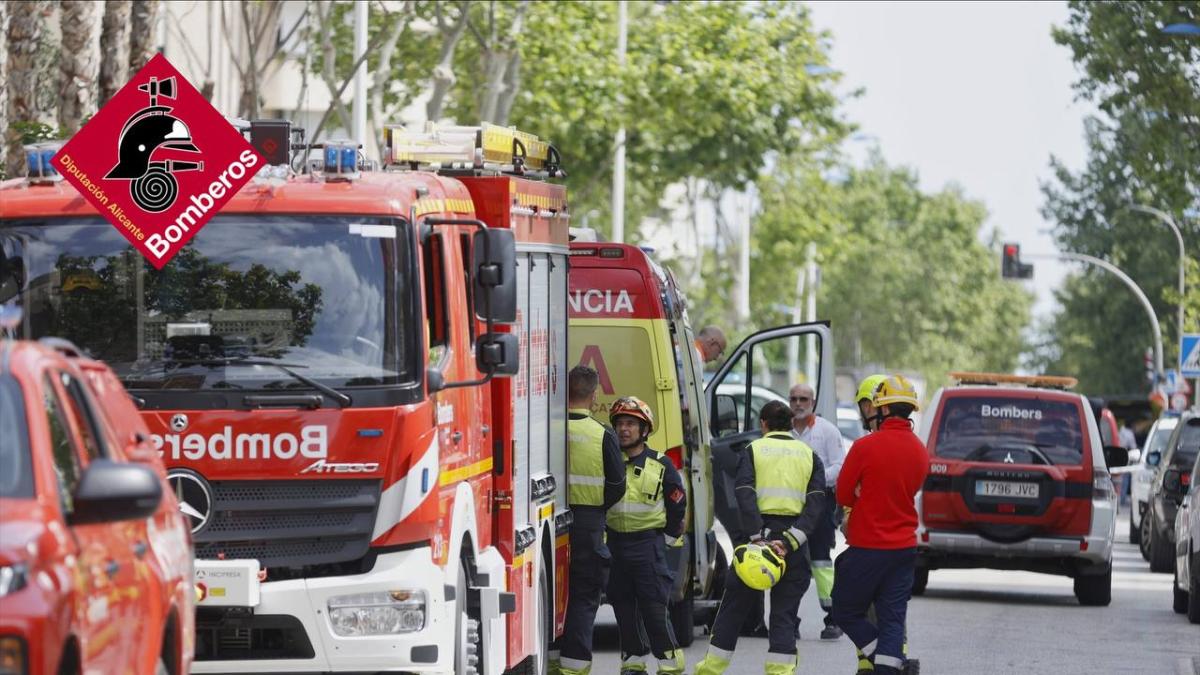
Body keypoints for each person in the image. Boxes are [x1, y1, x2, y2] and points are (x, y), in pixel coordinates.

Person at [694, 400, 827, 675]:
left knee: (733, 609)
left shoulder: (753, 450)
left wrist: (757, 537)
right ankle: (780, 671)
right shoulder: (809, 454)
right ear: (791, 425)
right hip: (793, 543)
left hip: (757, 539)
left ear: (763, 425)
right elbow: (816, 504)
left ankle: (710, 669)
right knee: (784, 614)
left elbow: (744, 492)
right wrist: (791, 541)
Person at [831, 375, 929, 675]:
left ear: (882, 410)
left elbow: (843, 493)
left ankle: (879, 661)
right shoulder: (919, 450)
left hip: (868, 547)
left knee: (845, 610)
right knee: (892, 620)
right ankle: (891, 667)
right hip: (903, 549)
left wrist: (863, 493)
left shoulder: (865, 447)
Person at [550, 366, 628, 675]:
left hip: (549, 519)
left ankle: (551, 664)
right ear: (593, 396)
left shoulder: (550, 429)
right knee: (583, 597)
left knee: (552, 595)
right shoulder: (602, 433)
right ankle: (574, 667)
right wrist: (597, 507)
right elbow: (617, 484)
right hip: (588, 523)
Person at [606, 396, 688, 674]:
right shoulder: (609, 462)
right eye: (620, 424)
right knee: (623, 609)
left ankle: (669, 663)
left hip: (648, 546)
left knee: (654, 610)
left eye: (631, 424)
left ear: (644, 430)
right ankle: (633, 663)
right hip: (616, 546)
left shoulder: (661, 464)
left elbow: (678, 505)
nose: (624, 429)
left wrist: (662, 541)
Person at [788, 382, 846, 640]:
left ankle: (833, 619)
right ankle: (788, 619)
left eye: (803, 399)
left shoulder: (827, 431)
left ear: (813, 402)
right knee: (790, 562)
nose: (798, 403)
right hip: (790, 505)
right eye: (794, 399)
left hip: (820, 503)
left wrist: (815, 480)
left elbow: (839, 466)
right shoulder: (784, 432)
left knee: (821, 561)